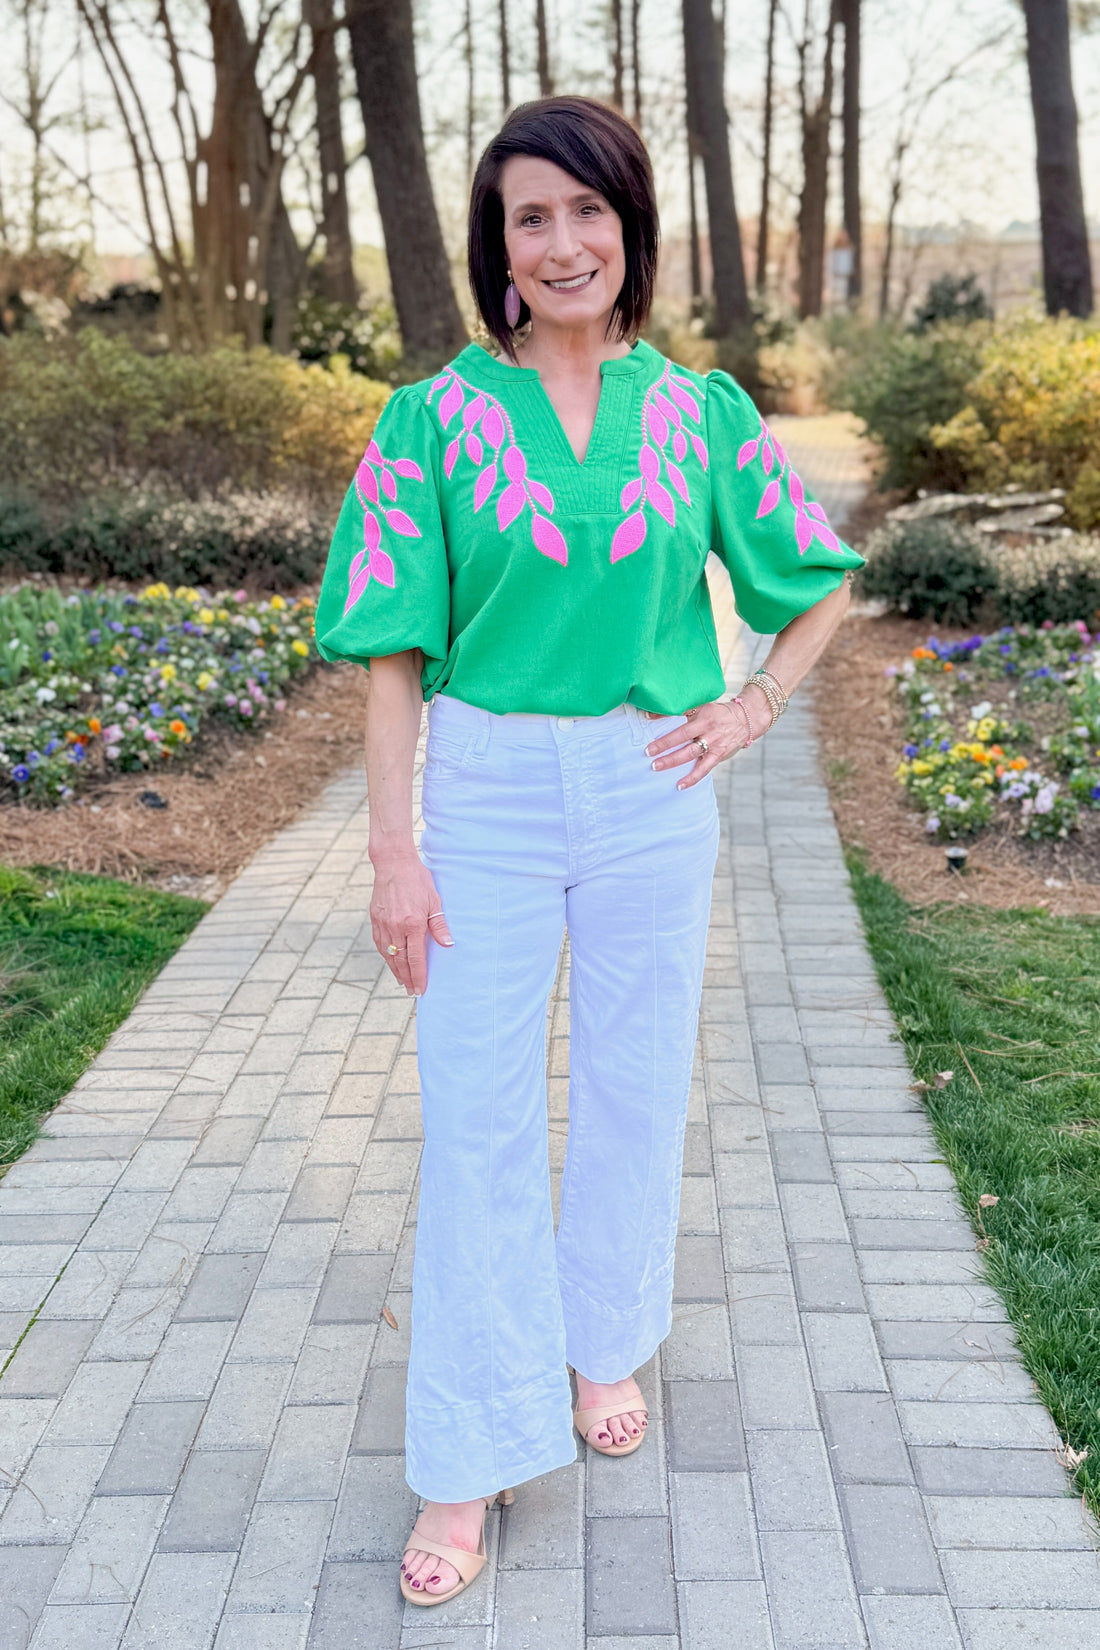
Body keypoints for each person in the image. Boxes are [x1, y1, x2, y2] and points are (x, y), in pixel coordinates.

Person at [313, 94, 864, 1608]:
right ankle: (463, 1458)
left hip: (646, 791)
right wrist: (391, 851)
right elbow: (390, 654)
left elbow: (816, 582)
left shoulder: (703, 415)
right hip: (481, 796)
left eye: (586, 212)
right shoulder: (429, 419)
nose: (560, 243)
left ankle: (601, 1342)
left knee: (634, 1083)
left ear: (632, 228)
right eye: (528, 217)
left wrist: (751, 707)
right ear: (499, 242)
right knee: (476, 1121)